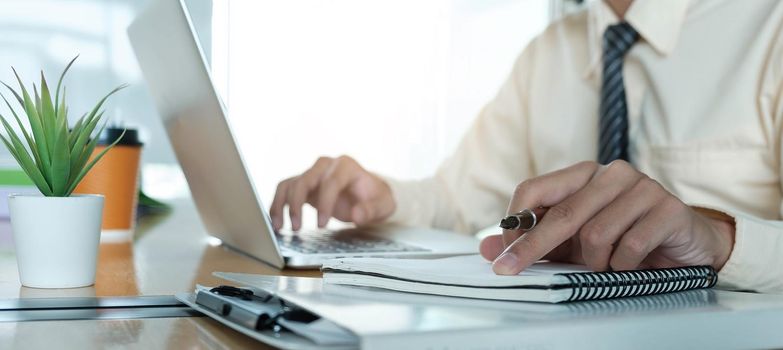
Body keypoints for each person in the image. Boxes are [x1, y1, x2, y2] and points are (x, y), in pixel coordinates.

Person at [270, 0, 783, 293]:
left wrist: (720, 240)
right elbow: (458, 197)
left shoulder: (770, 29)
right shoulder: (550, 51)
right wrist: (384, 198)